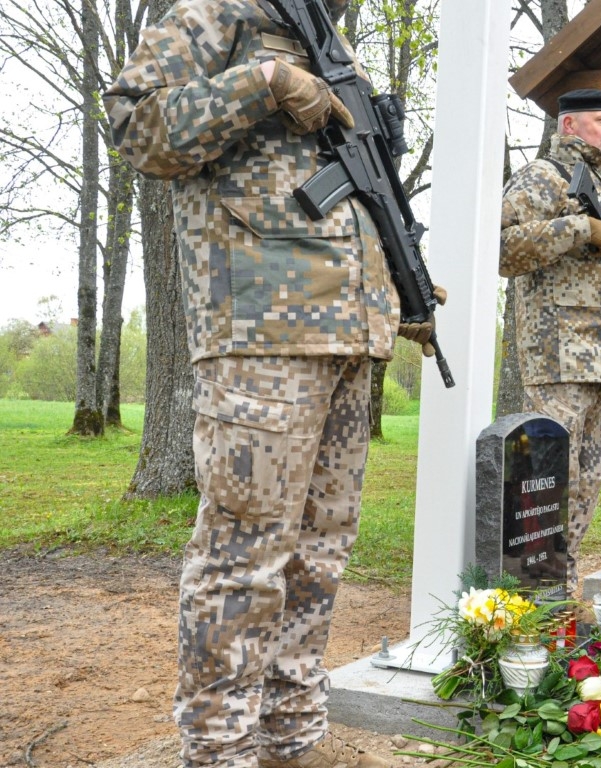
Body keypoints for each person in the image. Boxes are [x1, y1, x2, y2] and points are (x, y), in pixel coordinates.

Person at [103, 1, 440, 765]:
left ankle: (293, 732)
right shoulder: (219, 11)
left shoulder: (330, 36)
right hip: (261, 327)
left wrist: (397, 289)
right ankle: (219, 745)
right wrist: (262, 81)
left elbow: (363, 199)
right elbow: (134, 126)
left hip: (348, 335)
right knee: (244, 550)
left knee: (321, 550)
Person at [499, 88, 601, 597]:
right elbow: (499, 247)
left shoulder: (597, 186)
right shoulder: (543, 176)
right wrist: (578, 228)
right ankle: (527, 601)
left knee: (584, 490)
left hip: (595, 362)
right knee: (544, 487)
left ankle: (557, 594)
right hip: (557, 359)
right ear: (569, 126)